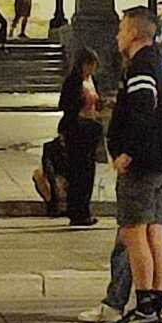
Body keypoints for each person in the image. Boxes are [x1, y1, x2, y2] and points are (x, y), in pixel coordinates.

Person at [103, 7, 162, 323]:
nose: (117, 36)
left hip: (144, 165)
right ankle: (157, 303)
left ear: (135, 33)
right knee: (155, 233)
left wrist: (128, 151)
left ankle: (145, 303)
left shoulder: (140, 68)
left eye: (122, 29)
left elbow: (142, 108)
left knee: (133, 232)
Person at [52, 46, 102, 227]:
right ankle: (76, 211)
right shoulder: (73, 81)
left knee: (89, 171)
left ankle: (85, 209)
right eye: (90, 65)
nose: (92, 69)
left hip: (91, 127)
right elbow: (65, 104)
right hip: (76, 128)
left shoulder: (92, 80)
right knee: (77, 171)